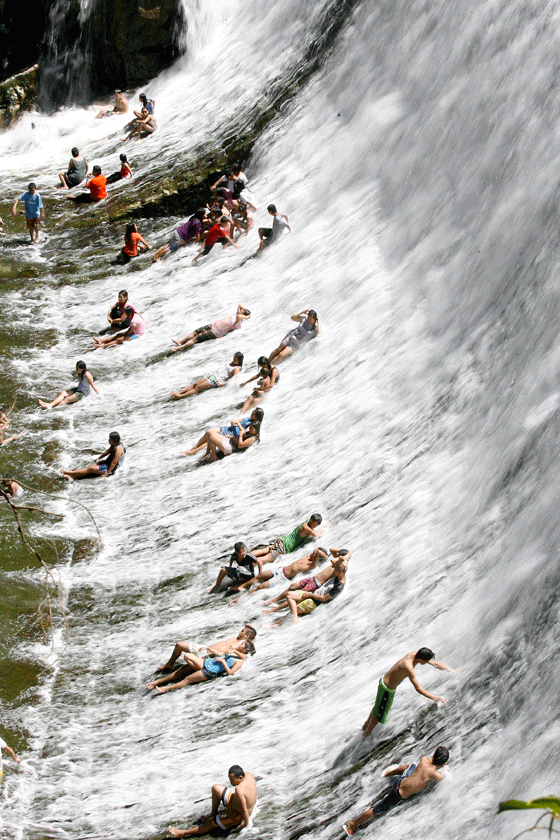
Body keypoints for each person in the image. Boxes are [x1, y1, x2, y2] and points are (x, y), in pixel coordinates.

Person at [342, 747, 450, 835]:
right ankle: (352, 824)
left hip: (400, 781)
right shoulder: (434, 773)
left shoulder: (424, 759)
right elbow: (443, 779)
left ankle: (389, 773)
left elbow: (426, 768)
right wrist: (445, 770)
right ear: (442, 762)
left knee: (411, 766)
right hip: (398, 794)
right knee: (375, 810)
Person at [361, 649, 454, 738]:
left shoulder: (415, 654)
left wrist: (452, 671)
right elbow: (418, 688)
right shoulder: (408, 666)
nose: (426, 663)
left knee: (378, 706)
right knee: (379, 713)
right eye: (425, 661)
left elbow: (436, 664)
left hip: (384, 682)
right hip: (387, 689)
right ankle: (366, 735)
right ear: (420, 659)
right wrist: (436, 698)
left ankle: (365, 726)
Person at [168, 765, 257, 837]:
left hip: (236, 815)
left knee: (210, 824)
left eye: (232, 779)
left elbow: (244, 810)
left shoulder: (239, 789)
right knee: (215, 788)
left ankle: (183, 833)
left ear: (240, 777)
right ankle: (213, 813)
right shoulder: (248, 775)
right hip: (234, 800)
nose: (230, 781)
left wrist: (246, 824)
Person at [146, 640, 255, 693]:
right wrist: (207, 648)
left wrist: (222, 662)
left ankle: (165, 688)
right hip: (207, 663)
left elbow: (230, 673)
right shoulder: (233, 652)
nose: (239, 644)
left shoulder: (240, 661)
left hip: (210, 671)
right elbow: (221, 655)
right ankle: (159, 682)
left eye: (242, 644)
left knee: (187, 679)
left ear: (245, 650)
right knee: (187, 657)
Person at [262, 548, 352, 611]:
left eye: (340, 556)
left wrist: (344, 558)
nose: (337, 557)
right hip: (312, 578)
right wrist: (344, 556)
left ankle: (275, 609)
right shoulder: (339, 562)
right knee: (292, 586)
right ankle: (274, 600)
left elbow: (333, 560)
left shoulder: (339, 566)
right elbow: (332, 549)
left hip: (316, 584)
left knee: (295, 596)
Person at [276, 553, 348, 624]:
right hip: (312, 594)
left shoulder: (338, 587)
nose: (334, 570)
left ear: (341, 571)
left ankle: (276, 623)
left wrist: (310, 595)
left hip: (313, 603)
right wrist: (343, 559)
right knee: (289, 595)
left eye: (336, 570)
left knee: (290, 613)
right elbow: (333, 560)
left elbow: (324, 598)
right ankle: (294, 618)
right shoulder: (339, 574)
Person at [231, 546, 329, 597]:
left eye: (314, 553)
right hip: (281, 569)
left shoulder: (312, 565)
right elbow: (318, 551)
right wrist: (317, 552)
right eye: (313, 551)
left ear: (317, 557)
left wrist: (322, 555)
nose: (312, 553)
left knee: (260, 587)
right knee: (260, 575)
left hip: (283, 577)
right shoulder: (309, 557)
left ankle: (240, 599)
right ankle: (241, 587)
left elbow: (322, 555)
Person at [156, 625, 257, 671]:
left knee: (183, 668)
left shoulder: (240, 645)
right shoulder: (236, 638)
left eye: (242, 631)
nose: (240, 632)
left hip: (209, 656)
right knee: (179, 645)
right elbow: (249, 624)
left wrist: (252, 639)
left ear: (247, 637)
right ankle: (169, 664)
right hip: (204, 648)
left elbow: (225, 654)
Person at [170, 304, 251, 353]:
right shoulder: (238, 315)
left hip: (214, 332)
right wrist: (244, 311)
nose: (240, 310)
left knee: (195, 339)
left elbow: (239, 316)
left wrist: (247, 317)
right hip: (212, 326)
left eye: (242, 311)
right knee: (194, 332)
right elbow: (240, 304)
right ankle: (180, 342)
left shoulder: (238, 322)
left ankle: (177, 349)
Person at [181, 408, 261, 457]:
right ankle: (194, 447)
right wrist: (237, 424)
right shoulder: (248, 419)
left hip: (233, 433)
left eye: (253, 414)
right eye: (252, 412)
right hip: (229, 428)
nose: (251, 414)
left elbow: (242, 432)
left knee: (211, 438)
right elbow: (234, 422)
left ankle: (193, 452)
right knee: (208, 431)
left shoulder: (253, 426)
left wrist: (238, 425)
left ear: (257, 417)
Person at [251, 514, 323, 565]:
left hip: (282, 540)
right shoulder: (307, 528)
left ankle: (243, 558)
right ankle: (247, 567)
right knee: (264, 559)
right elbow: (317, 534)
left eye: (314, 524)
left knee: (263, 551)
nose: (312, 525)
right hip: (284, 546)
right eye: (311, 523)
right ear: (310, 519)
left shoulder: (306, 522)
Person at [170, 353, 243, 401]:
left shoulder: (237, 368)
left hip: (216, 379)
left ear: (239, 361)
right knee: (195, 384)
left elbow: (234, 380)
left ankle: (180, 396)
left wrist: (222, 384)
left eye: (235, 360)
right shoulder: (233, 363)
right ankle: (179, 392)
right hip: (212, 374)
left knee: (197, 388)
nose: (233, 360)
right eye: (233, 358)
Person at [61, 431, 125, 481]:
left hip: (111, 467)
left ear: (115, 440)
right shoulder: (114, 445)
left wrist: (107, 472)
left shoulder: (118, 449)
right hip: (107, 463)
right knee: (91, 467)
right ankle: (71, 476)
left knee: (90, 469)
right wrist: (98, 458)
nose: (108, 440)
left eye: (110, 439)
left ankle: (68, 473)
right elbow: (106, 452)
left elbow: (114, 462)